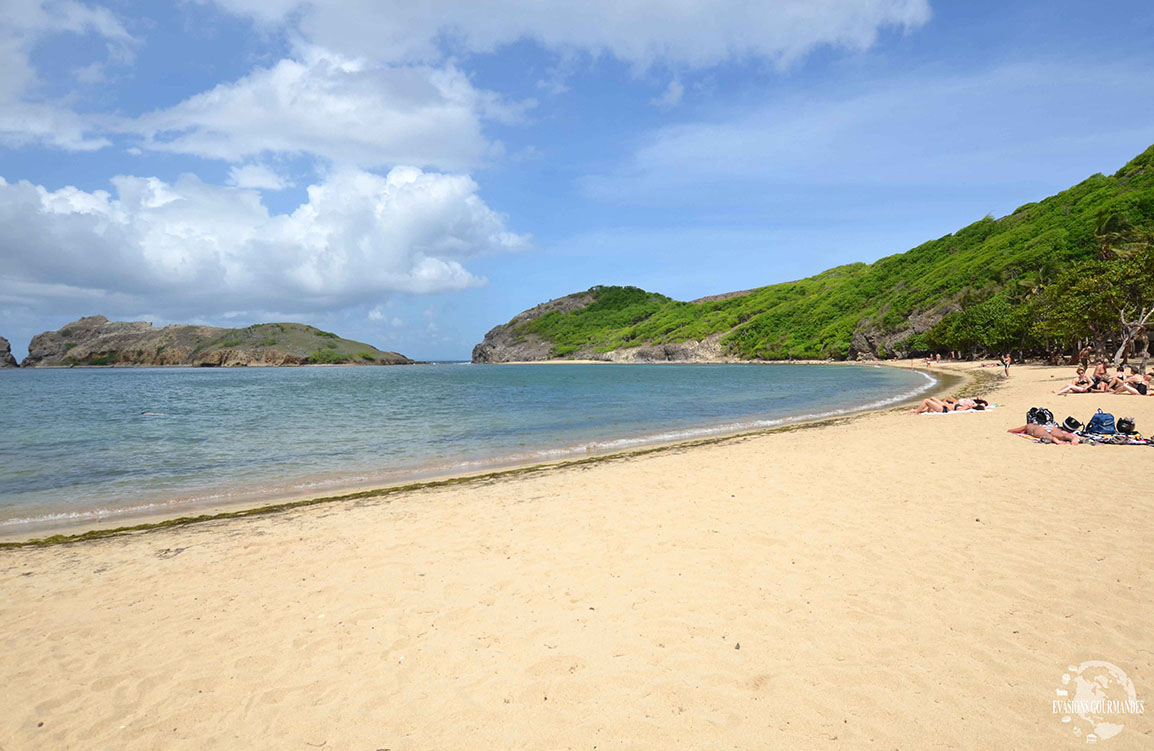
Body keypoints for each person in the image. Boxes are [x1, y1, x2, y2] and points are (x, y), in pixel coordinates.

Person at [1008, 423, 1080, 444]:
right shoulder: (1050, 424)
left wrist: (1009, 430)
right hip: (1051, 427)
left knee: (1047, 435)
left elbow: (1013, 430)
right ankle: (1072, 438)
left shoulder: (1030, 426)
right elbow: (1064, 432)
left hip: (1038, 429)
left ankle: (1056, 440)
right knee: (1062, 435)